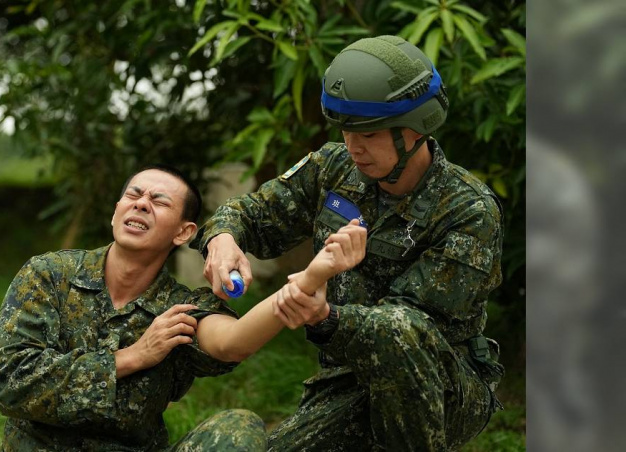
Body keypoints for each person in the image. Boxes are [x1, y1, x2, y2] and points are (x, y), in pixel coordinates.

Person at [192, 35, 506, 451]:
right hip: (348, 377)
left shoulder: (468, 210)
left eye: (369, 135)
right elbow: (251, 211)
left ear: (415, 129)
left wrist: (326, 317)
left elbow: (413, 328)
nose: (353, 147)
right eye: (346, 131)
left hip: (441, 384)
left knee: (403, 334)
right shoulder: (334, 167)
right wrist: (223, 238)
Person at [0, 164, 367, 451]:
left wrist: (308, 281)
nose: (141, 203)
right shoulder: (50, 275)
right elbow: (11, 384)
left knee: (237, 428)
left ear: (184, 232)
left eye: (159, 201)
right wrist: (133, 357)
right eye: (134, 195)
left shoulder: (179, 308)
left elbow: (232, 342)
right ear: (116, 211)